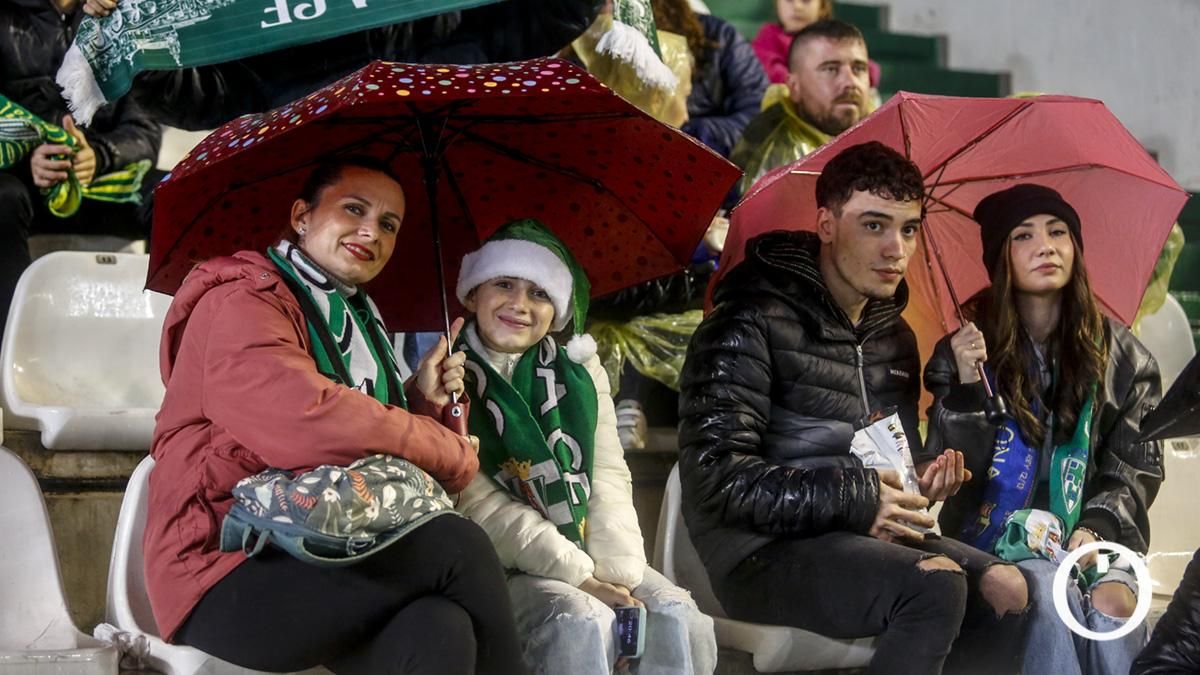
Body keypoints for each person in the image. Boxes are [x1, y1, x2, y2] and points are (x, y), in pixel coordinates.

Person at [145, 156, 524, 674]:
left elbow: (361, 449)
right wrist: (449, 451)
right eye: (354, 209)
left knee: (437, 626)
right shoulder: (238, 303)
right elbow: (308, 420)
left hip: (322, 548)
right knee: (454, 545)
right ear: (301, 216)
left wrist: (422, 402)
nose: (372, 231)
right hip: (223, 569)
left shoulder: (358, 318)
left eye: (389, 224)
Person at [677, 141, 1030, 675]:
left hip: (864, 537)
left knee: (1007, 587)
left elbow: (892, 460)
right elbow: (716, 480)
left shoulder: (895, 337)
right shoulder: (746, 320)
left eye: (909, 228)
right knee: (935, 584)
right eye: (874, 226)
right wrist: (860, 499)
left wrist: (921, 481)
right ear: (825, 223)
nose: (896, 248)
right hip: (759, 552)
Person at [453, 219, 717, 674]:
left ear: (556, 309)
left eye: (538, 293)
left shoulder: (579, 372)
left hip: (588, 551)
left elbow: (608, 475)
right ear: (474, 293)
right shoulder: (444, 377)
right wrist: (582, 578)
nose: (519, 304)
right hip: (499, 566)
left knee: (673, 612)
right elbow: (481, 508)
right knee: (580, 619)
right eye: (503, 284)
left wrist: (618, 573)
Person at [923, 183, 1164, 675]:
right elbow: (947, 470)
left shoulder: (1124, 356)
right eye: (1023, 236)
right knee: (1050, 599)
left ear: (1076, 247)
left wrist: (1097, 525)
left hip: (1095, 534)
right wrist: (970, 391)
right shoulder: (965, 352)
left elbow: (1136, 466)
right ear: (1001, 258)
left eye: (1058, 232)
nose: (1046, 246)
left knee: (1115, 606)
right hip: (988, 541)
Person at [83, 0, 605, 130]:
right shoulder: (254, 16)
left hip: (434, 161)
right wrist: (132, 37)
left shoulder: (452, 24)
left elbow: (532, 24)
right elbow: (208, 94)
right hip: (306, 185)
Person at [0, 0, 162, 344]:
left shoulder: (126, 15)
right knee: (3, 196)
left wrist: (100, 156)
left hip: (102, 180)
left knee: (177, 194)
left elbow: (145, 130)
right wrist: (28, 158)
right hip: (27, 184)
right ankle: (10, 350)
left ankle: (172, 347)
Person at [731, 19, 871, 194]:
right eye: (830, 69)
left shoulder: (888, 137)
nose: (850, 82)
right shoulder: (768, 150)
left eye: (858, 68)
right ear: (794, 86)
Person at [652, 0, 768, 159]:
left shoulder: (719, 37)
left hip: (713, 162)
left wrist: (703, 133)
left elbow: (759, 110)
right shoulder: (617, 40)